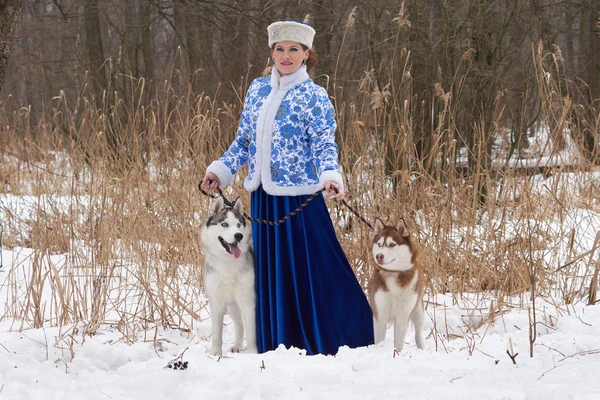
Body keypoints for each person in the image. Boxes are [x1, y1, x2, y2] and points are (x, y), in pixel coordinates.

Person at [200, 20, 374, 356]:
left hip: (300, 200)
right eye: (280, 49)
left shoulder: (313, 96)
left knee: (314, 267)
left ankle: (338, 331)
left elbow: (325, 143)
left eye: (294, 49)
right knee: (267, 271)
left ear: (307, 54)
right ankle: (272, 338)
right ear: (271, 52)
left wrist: (330, 175)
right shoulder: (258, 89)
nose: (286, 55)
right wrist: (220, 171)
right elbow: (244, 140)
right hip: (263, 198)